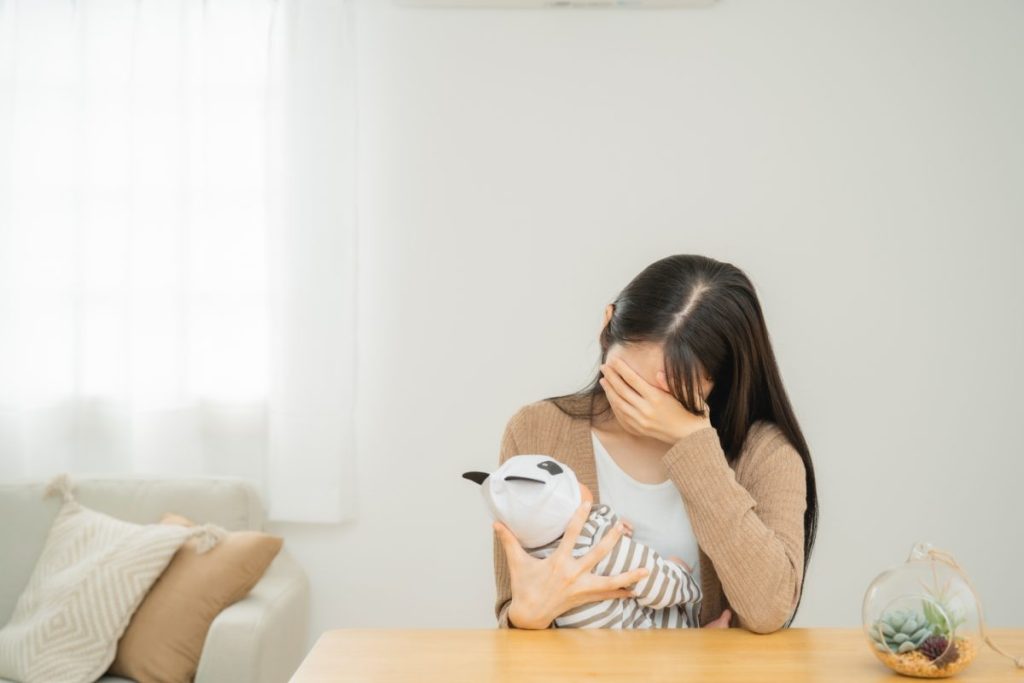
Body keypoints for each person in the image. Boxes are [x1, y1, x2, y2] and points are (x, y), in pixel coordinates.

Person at [491, 254, 819, 633]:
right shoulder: (537, 431)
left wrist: (696, 446)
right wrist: (524, 618)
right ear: (606, 327)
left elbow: (769, 610)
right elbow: (515, 612)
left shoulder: (765, 453)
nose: (643, 408)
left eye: (668, 394)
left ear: (716, 382)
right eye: (628, 382)